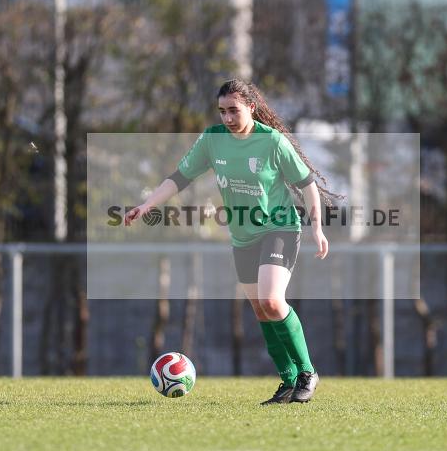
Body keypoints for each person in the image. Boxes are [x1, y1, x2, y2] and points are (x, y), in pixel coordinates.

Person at [125, 79, 342, 404]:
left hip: (279, 228)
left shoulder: (272, 142)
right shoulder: (213, 140)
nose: (227, 118)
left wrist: (317, 227)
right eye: (222, 111)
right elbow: (179, 178)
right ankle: (288, 381)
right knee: (260, 309)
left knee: (271, 300)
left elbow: (307, 183)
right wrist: (146, 205)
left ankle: (308, 373)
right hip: (243, 237)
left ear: (251, 108)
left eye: (234, 110)